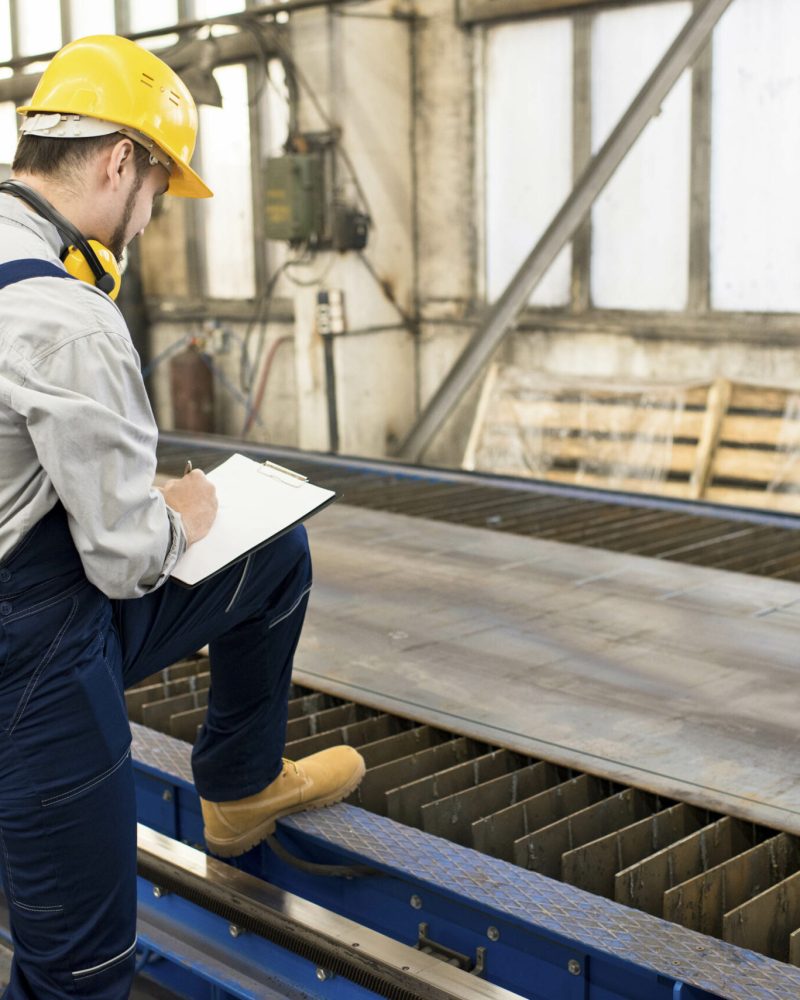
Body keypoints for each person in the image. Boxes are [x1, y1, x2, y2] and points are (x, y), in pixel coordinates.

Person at [0, 34, 364, 998]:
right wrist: (187, 510)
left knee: (274, 556)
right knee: (80, 973)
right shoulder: (67, 316)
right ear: (122, 159)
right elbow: (126, 565)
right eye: (160, 187)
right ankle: (235, 787)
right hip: (26, 661)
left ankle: (240, 793)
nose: (153, 216)